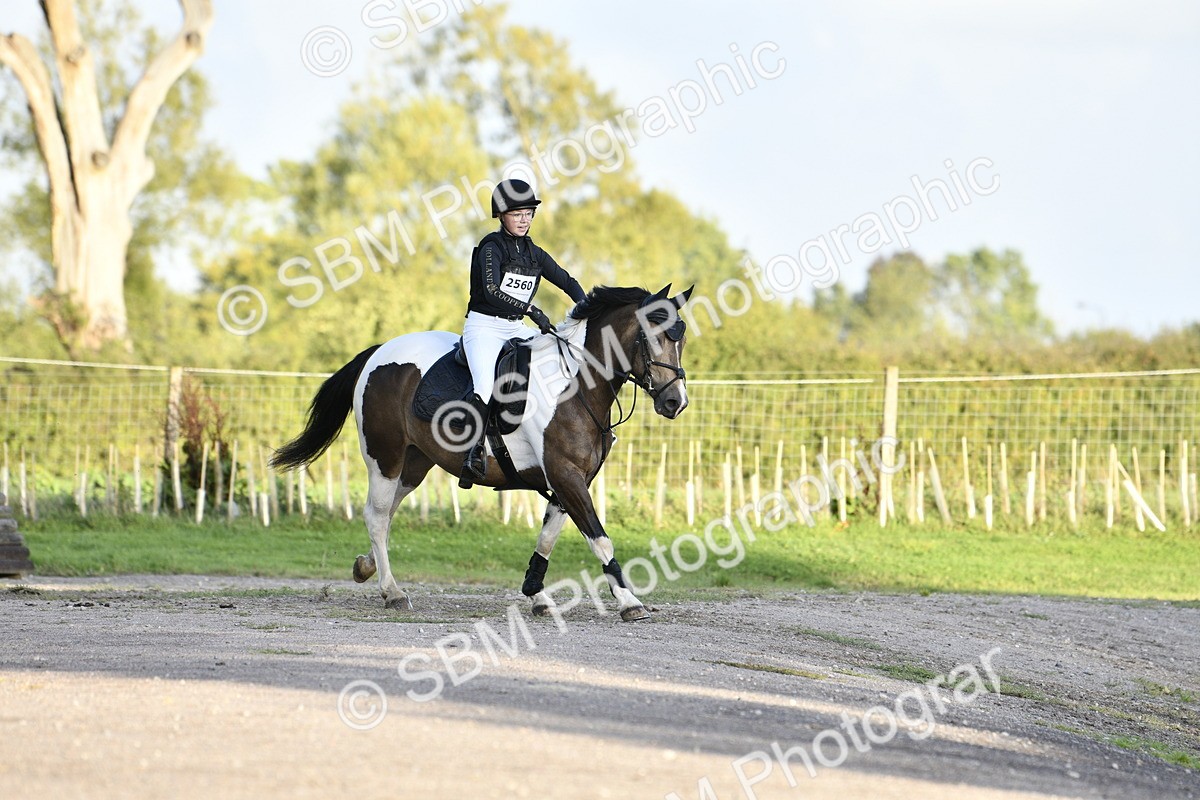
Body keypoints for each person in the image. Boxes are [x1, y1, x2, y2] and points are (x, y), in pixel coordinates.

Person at [458, 178, 586, 487]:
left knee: (558, 361)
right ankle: (473, 453)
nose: (524, 220)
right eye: (517, 214)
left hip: (515, 326)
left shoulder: (535, 253)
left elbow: (567, 282)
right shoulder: (491, 247)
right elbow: (491, 291)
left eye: (529, 213)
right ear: (501, 215)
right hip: (484, 326)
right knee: (485, 385)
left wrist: (589, 308)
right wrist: (530, 309)